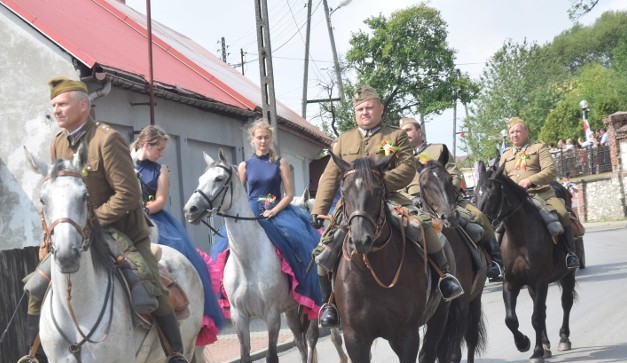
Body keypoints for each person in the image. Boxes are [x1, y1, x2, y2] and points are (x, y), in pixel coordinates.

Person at [10, 77, 194, 363]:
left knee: (149, 282)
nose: (56, 109)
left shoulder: (107, 140)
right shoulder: (58, 143)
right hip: (77, 234)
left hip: (120, 230)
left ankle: (175, 356)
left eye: (62, 104)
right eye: (53, 105)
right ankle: (34, 361)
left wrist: (92, 221)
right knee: (37, 287)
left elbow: (128, 195)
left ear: (83, 106)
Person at [310, 87, 464, 328]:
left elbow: (407, 168)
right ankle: (329, 304)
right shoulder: (343, 140)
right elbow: (330, 176)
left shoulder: (395, 136)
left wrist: (378, 184)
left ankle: (445, 278)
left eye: (369, 107)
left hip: (389, 197)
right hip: (353, 205)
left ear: (380, 109)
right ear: (355, 112)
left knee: (423, 226)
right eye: (360, 109)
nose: (365, 112)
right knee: (324, 250)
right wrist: (319, 209)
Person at [211, 119, 323, 318]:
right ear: (252, 140)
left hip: (278, 210)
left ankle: (300, 287)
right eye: (259, 138)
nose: (263, 141)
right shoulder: (245, 165)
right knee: (221, 246)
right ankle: (225, 292)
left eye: (266, 137)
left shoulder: (281, 163)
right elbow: (239, 194)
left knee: (297, 241)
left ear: (271, 139)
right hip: (251, 210)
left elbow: (289, 194)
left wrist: (274, 211)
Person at [132, 125, 226, 345]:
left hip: (153, 218)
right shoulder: (125, 163)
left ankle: (190, 307)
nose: (162, 153)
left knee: (181, 249)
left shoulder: (160, 170)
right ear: (147, 144)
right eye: (159, 149)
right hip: (126, 218)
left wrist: (142, 211)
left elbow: (160, 201)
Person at [399, 117, 504, 281]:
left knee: (479, 216)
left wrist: (448, 191)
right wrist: (409, 198)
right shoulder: (399, 158)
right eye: (402, 132)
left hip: (445, 198)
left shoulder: (438, 149)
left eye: (408, 130)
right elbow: (397, 185)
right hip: (414, 203)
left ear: (419, 131)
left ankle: (496, 262)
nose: (405, 135)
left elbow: (454, 173)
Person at [497, 117, 579, 268]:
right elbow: (500, 176)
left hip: (540, 193)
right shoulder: (506, 154)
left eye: (518, 131)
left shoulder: (538, 148)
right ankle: (497, 261)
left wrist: (531, 180)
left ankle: (570, 253)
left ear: (526, 132)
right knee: (497, 222)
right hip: (515, 199)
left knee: (562, 213)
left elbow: (551, 170)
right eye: (512, 132)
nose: (515, 135)